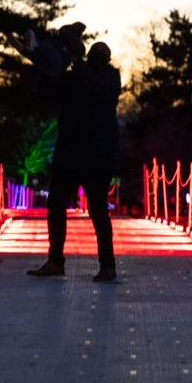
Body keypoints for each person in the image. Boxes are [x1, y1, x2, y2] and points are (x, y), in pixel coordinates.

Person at [24, 27, 121, 282]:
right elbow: (48, 92)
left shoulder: (109, 78)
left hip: (95, 156)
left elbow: (102, 93)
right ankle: (56, 260)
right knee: (56, 206)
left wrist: (75, 65)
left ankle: (107, 265)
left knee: (98, 211)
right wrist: (46, 67)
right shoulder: (77, 76)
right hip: (72, 153)